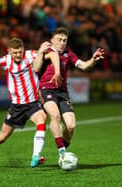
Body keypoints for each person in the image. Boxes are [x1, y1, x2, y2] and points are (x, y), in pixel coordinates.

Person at [0, 38, 61, 168]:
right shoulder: (6, 60)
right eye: (15, 53)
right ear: (9, 51)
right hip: (16, 106)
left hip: (32, 103)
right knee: (3, 136)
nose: (18, 55)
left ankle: (35, 156)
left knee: (42, 119)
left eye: (20, 52)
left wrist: (44, 50)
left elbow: (50, 53)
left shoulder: (30, 55)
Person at [34, 27, 105, 157]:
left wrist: (93, 59)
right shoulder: (46, 51)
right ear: (52, 40)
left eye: (64, 40)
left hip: (62, 92)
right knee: (55, 116)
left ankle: (62, 150)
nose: (62, 43)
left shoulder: (69, 54)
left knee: (71, 126)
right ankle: (62, 153)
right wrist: (40, 53)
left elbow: (84, 66)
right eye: (59, 40)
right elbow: (36, 68)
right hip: (46, 90)